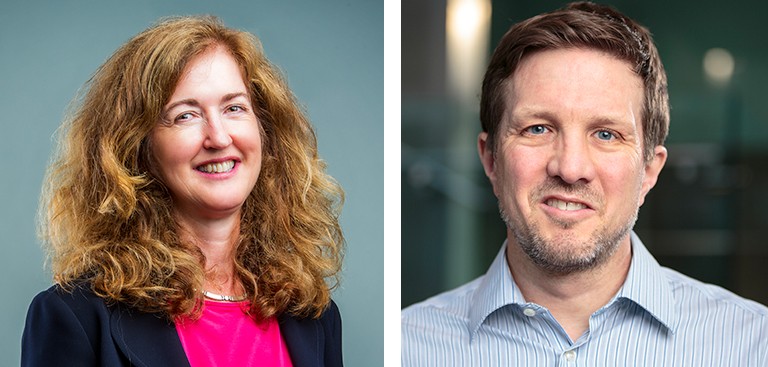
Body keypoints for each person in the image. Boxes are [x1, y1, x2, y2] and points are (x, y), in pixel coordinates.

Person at [402, 2, 768, 366]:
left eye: (606, 134)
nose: (571, 168)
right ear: (491, 159)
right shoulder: (406, 346)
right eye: (538, 128)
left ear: (650, 171)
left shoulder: (753, 344)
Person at [22, 16, 344, 367]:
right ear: (137, 147)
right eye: (185, 116)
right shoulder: (77, 317)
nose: (219, 138)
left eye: (234, 108)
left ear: (264, 131)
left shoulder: (312, 314)